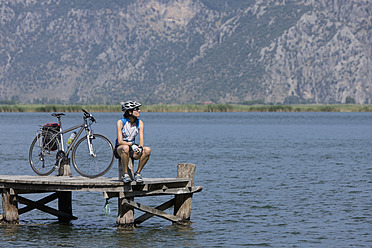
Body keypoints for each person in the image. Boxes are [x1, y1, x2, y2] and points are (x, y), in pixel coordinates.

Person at [114, 100, 151, 183]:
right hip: (121, 148)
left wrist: (140, 147)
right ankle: (125, 174)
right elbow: (120, 141)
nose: (139, 111)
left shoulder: (140, 123)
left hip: (132, 147)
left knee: (147, 150)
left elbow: (142, 141)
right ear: (130, 112)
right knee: (125, 147)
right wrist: (131, 145)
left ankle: (138, 173)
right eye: (136, 109)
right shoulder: (120, 122)